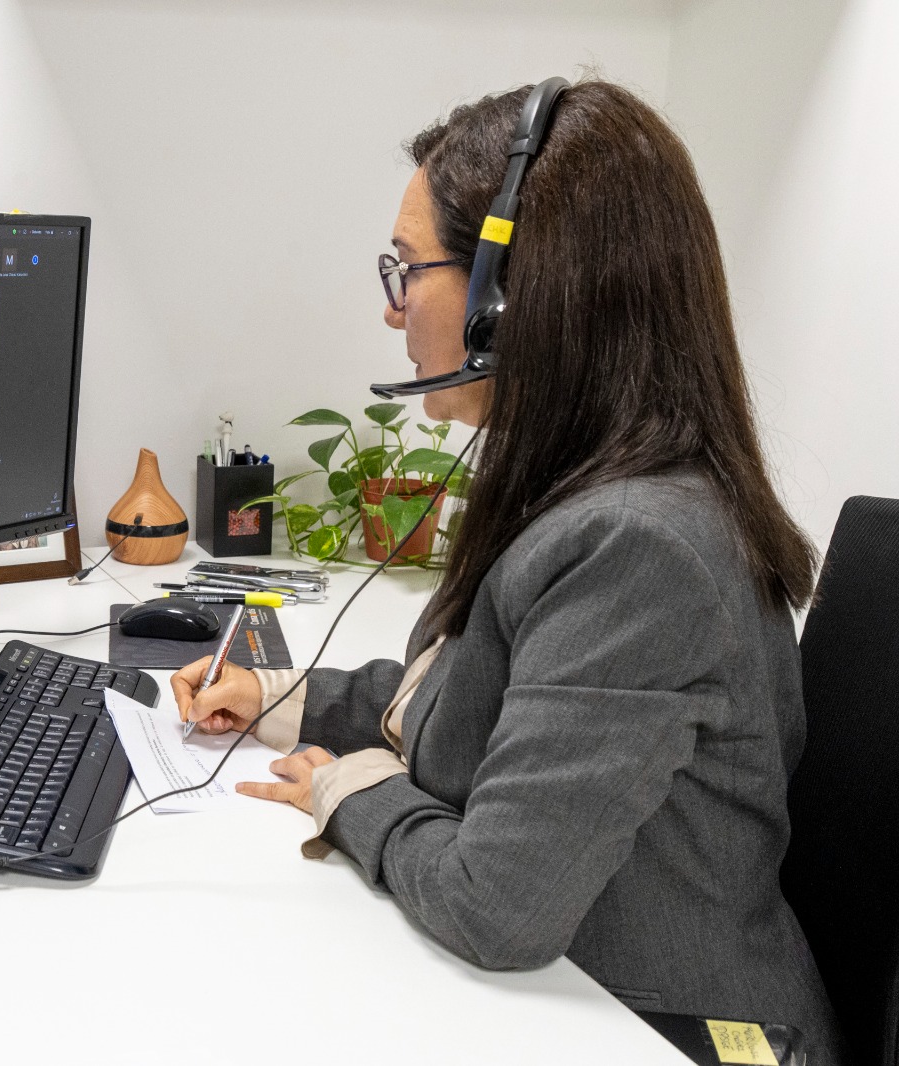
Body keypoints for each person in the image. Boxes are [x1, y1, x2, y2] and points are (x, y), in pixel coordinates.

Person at [172, 80, 842, 1061]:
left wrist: (349, 790)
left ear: (509, 299)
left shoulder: (638, 545)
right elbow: (478, 702)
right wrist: (272, 696)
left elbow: (497, 906)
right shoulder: (583, 488)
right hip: (570, 998)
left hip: (670, 1030)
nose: (391, 307)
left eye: (408, 270)